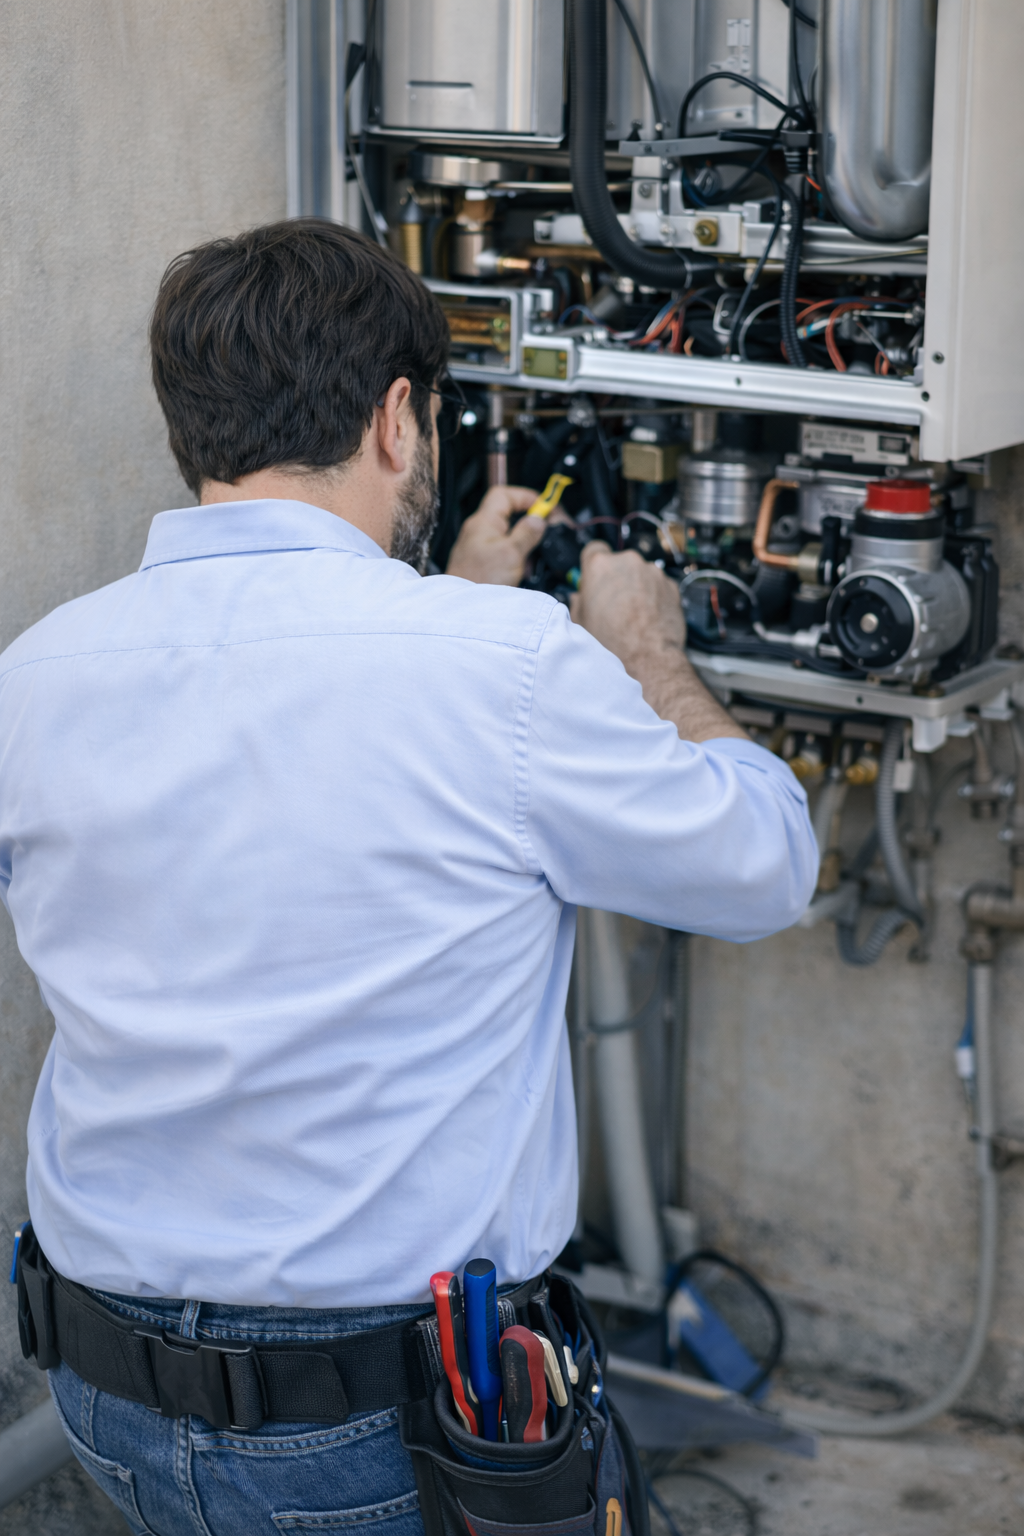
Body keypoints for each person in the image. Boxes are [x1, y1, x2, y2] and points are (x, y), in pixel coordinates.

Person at [0, 221, 817, 1535]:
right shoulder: (505, 667)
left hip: (108, 1400)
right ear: (397, 419)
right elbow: (765, 863)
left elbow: (285, 767)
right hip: (388, 1435)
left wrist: (451, 601)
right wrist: (647, 658)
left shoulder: (36, 673)